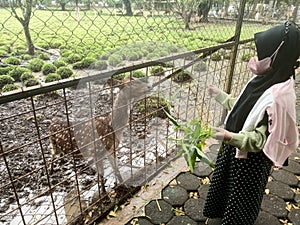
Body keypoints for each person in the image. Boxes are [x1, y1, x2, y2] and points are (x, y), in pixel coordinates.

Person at [203, 21, 300, 225]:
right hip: (235, 147)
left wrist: (228, 136)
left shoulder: (279, 97)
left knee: (241, 195)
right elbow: (243, 108)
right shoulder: (263, 78)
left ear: (277, 56)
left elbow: (259, 141)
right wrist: (220, 96)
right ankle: (221, 212)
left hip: (251, 161)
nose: (256, 59)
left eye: (262, 53)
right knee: (226, 183)